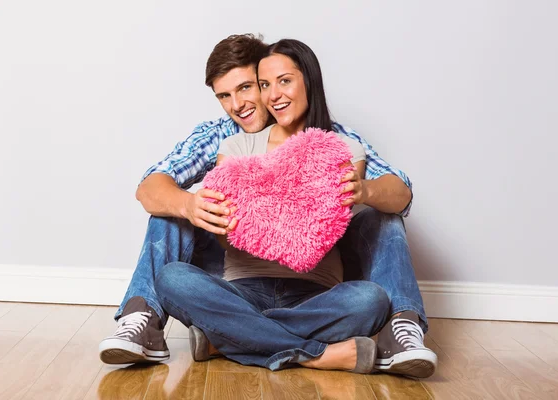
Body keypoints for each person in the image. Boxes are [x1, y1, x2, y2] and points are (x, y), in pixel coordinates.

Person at [98, 33, 436, 378]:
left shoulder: (337, 142)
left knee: (372, 293)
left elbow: (400, 191)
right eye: (224, 96)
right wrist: (190, 205)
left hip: (315, 287)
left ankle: (228, 340)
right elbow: (150, 187)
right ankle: (143, 319)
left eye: (247, 87)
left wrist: (362, 191)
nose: (238, 104)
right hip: (235, 279)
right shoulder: (226, 139)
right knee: (170, 238)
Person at [155, 39, 388, 374]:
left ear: (308, 80)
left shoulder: (343, 149)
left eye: (284, 81)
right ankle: (315, 355)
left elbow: (333, 225)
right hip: (242, 290)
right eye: (265, 85)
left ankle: (228, 338)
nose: (273, 94)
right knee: (172, 278)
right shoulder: (236, 145)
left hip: (315, 293)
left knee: (371, 301)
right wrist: (250, 218)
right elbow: (225, 238)